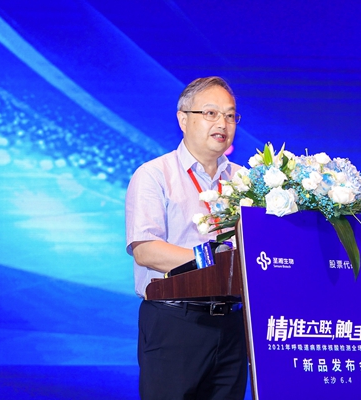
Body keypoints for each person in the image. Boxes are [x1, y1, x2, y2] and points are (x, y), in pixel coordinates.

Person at [125, 77, 248, 400]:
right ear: (183, 119)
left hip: (233, 323)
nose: (222, 123)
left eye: (230, 115)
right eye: (210, 113)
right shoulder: (154, 175)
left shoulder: (245, 181)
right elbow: (146, 250)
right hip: (176, 321)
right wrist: (215, 263)